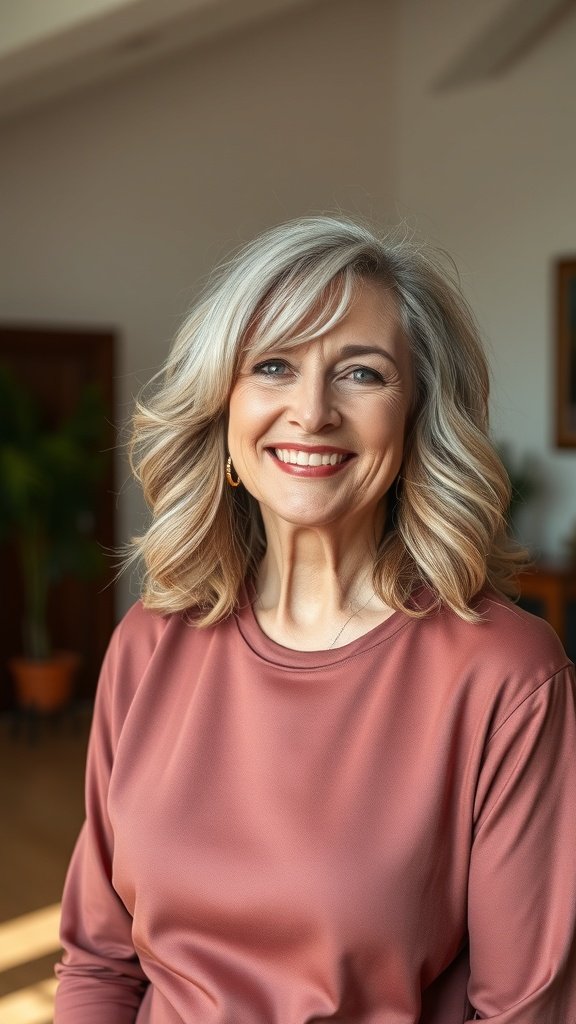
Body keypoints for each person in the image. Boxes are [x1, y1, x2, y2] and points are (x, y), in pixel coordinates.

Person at [54, 216, 576, 1024]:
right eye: (272, 366)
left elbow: (523, 1011)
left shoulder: (507, 673)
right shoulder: (149, 643)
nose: (311, 411)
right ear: (225, 411)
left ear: (415, 420)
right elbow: (99, 963)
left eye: (361, 374)